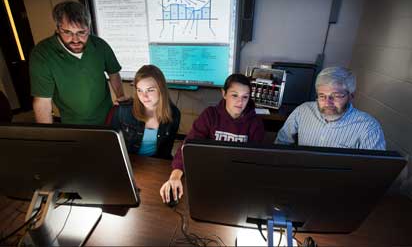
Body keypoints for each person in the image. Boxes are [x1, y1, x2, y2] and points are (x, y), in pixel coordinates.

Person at [160, 73, 265, 204]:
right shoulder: (210, 115)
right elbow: (188, 145)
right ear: (224, 93)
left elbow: (257, 160)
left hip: (238, 179)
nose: (240, 102)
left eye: (245, 97)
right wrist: (175, 175)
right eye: (234, 95)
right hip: (208, 174)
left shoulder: (255, 123)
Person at [30, 0, 127, 125]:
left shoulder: (100, 45)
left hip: (108, 118)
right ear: (58, 28)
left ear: (89, 28)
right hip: (73, 123)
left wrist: (120, 97)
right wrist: (47, 137)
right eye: (67, 32)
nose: (75, 40)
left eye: (81, 32)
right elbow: (42, 102)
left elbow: (113, 73)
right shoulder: (42, 54)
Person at [275, 66, 386, 150]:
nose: (328, 102)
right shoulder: (303, 110)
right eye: (322, 96)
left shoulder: (369, 127)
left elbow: (373, 170)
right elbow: (281, 142)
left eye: (336, 96)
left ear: (351, 96)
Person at [109, 65, 180, 159]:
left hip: (155, 163)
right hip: (129, 162)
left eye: (150, 90)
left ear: (161, 89)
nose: (144, 96)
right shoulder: (123, 110)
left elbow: (166, 152)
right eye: (139, 90)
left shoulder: (174, 114)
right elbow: (111, 144)